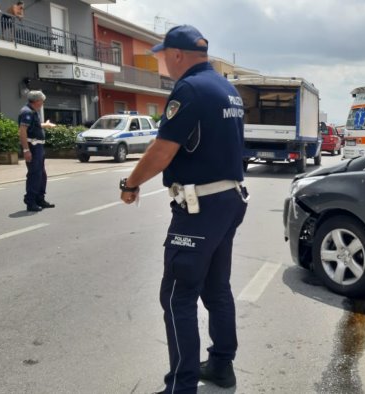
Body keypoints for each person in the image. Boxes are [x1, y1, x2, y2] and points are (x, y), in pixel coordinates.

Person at [119, 25, 248, 394]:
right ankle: (221, 366)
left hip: (200, 207)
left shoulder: (189, 89)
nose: (162, 63)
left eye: (162, 56)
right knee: (216, 288)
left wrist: (131, 184)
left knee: (177, 294)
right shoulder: (227, 88)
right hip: (229, 199)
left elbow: (163, 150)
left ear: (176, 54)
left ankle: (182, 386)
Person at [18, 90, 56, 212]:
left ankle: (40, 199)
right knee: (34, 174)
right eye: (42, 101)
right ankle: (30, 201)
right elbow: (22, 131)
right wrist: (26, 150)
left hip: (38, 147)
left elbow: (35, 126)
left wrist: (45, 125)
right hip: (32, 147)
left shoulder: (33, 111)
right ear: (37, 101)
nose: (42, 103)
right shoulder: (26, 112)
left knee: (41, 174)